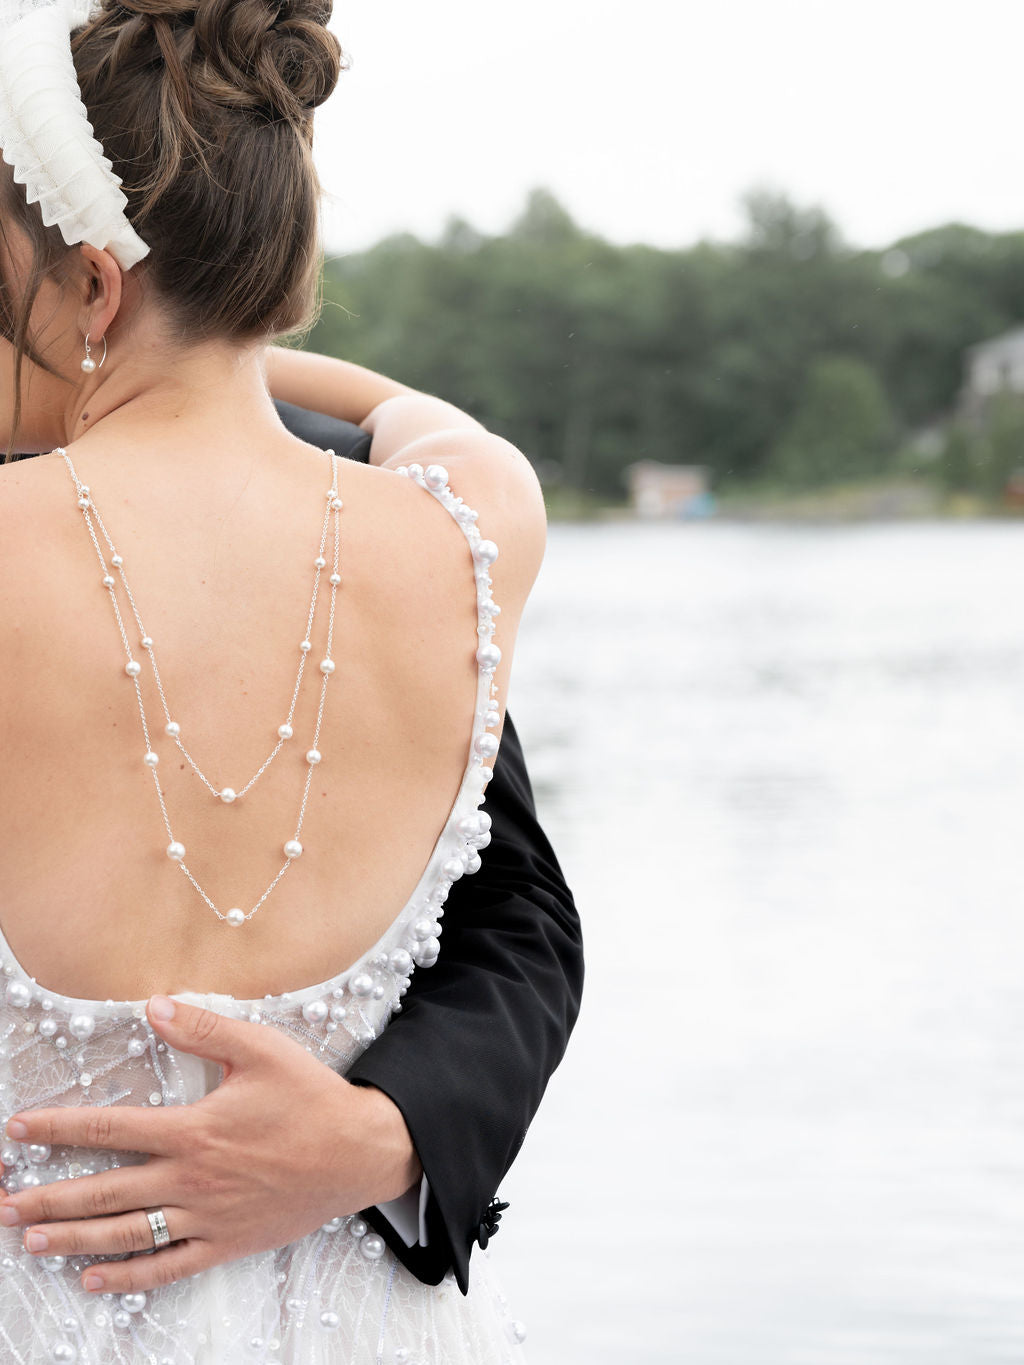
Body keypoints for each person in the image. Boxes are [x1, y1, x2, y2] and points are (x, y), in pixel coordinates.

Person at [0, 0, 581, 1358]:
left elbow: (521, 927)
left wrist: (389, 1136)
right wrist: (220, 350)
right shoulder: (469, 531)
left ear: (92, 281)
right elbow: (438, 429)